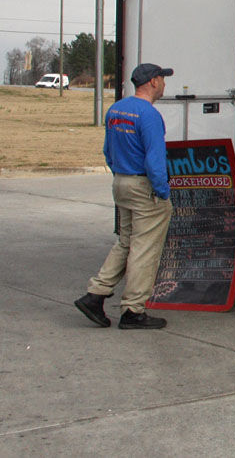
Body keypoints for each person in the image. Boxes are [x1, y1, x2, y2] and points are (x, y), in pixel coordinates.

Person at [74, 63, 175, 329]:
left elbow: (107, 150)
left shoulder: (116, 109)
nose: (165, 84)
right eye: (163, 79)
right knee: (145, 249)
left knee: (126, 242)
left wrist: (120, 175)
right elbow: (155, 161)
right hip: (144, 187)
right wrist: (162, 192)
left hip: (121, 182)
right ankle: (133, 310)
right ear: (153, 82)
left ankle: (95, 294)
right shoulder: (150, 115)